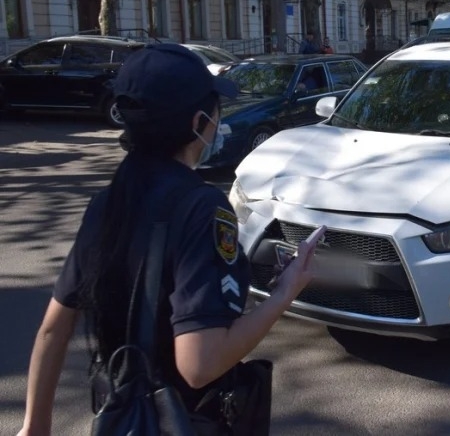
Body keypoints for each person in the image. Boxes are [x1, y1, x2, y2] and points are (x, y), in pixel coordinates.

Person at [18, 44, 322, 435]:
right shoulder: (203, 209)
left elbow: (52, 328)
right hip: (182, 420)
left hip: (119, 415)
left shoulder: (109, 201)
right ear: (199, 121)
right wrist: (285, 293)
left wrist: (34, 425)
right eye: (216, 109)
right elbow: (200, 365)